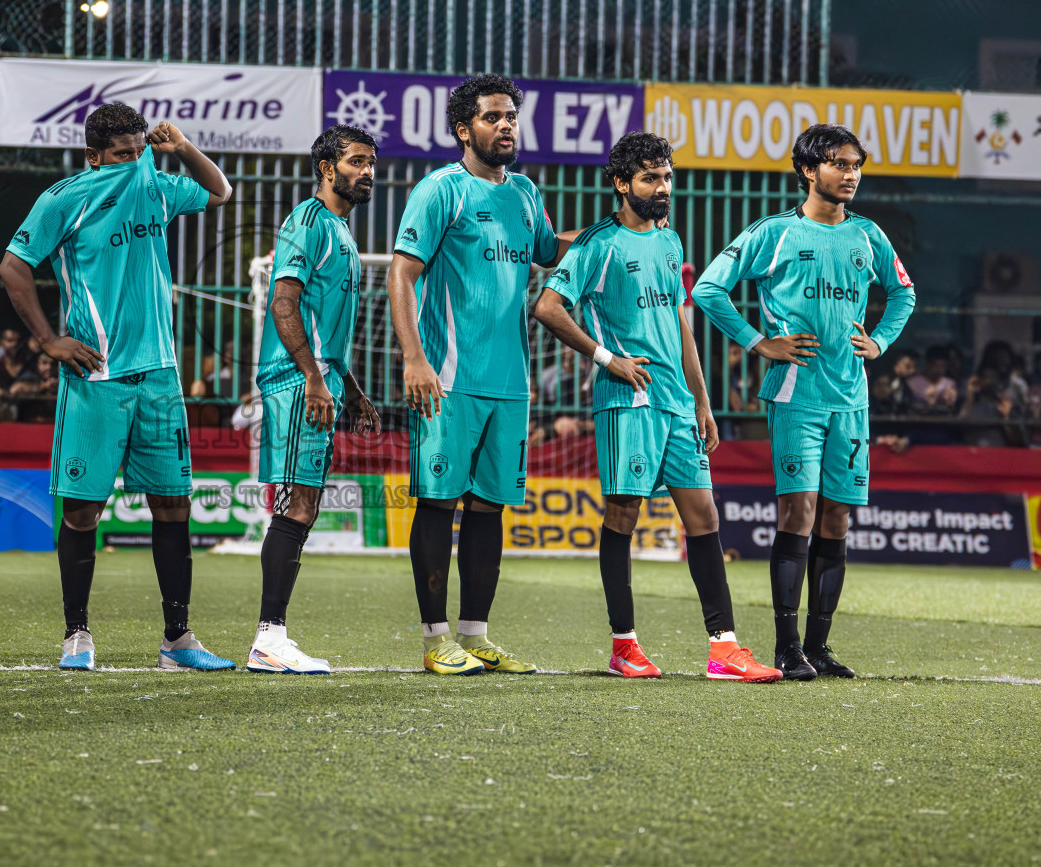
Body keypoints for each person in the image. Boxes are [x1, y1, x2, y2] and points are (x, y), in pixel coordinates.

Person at [534, 132, 781, 682]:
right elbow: (548, 308)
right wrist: (606, 359)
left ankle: (725, 648)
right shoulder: (597, 245)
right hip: (628, 401)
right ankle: (624, 645)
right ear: (621, 183)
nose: (662, 187)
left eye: (667, 176)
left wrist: (703, 402)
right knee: (623, 517)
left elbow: (680, 327)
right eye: (650, 177)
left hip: (674, 402)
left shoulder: (670, 243)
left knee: (704, 518)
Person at [0, 102, 234, 672]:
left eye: (138, 150)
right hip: (96, 378)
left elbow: (221, 192)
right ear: (93, 156)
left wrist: (180, 148)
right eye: (121, 154)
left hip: (160, 376)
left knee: (173, 507)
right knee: (83, 512)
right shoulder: (65, 197)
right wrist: (50, 340)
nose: (132, 161)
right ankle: (76, 635)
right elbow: (13, 266)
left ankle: (178, 640)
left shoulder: (156, 183)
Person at [692, 124, 915, 681]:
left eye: (857, 164)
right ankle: (787, 646)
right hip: (796, 395)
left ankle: (819, 647)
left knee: (837, 517)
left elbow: (905, 292)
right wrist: (758, 342)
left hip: (852, 398)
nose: (851, 174)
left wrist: (881, 340)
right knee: (801, 512)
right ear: (808, 170)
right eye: (839, 164)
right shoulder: (775, 233)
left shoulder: (868, 234)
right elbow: (708, 289)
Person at [385, 74, 570, 677]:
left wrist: (613, 230)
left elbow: (549, 249)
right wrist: (415, 359)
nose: (507, 125)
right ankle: (436, 639)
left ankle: (477, 635)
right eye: (493, 117)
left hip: (510, 382)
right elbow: (402, 274)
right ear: (465, 129)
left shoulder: (524, 192)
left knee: (490, 508)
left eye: (512, 116)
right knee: (439, 503)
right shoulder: (441, 190)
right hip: (449, 378)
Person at [247, 125, 381, 675]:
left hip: (318, 383)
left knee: (306, 502)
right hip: (296, 384)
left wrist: (349, 390)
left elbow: (323, 327)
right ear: (327, 168)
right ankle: (269, 639)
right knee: (297, 503)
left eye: (371, 162)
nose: (367, 171)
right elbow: (283, 304)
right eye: (356, 161)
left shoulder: (340, 232)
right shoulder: (308, 221)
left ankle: (272, 637)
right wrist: (314, 380)